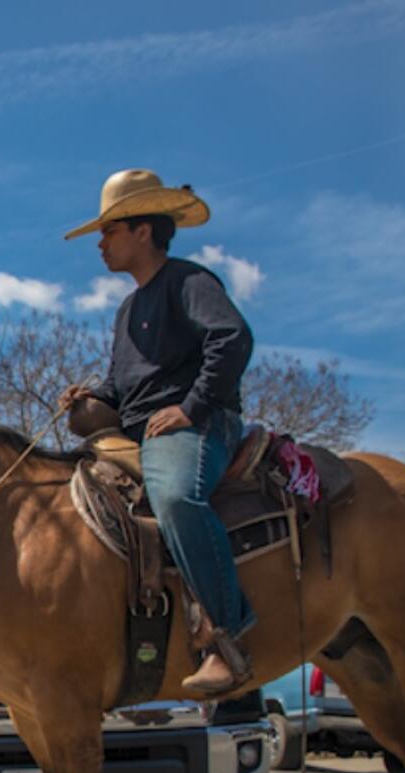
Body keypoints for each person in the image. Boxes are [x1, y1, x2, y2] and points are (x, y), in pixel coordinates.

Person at [58, 169, 256, 695]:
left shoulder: (189, 282)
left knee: (175, 500)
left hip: (197, 427)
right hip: (140, 434)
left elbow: (232, 339)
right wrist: (92, 400)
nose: (100, 243)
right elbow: (122, 388)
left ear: (143, 230)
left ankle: (225, 641)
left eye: (110, 230)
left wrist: (191, 406)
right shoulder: (127, 310)